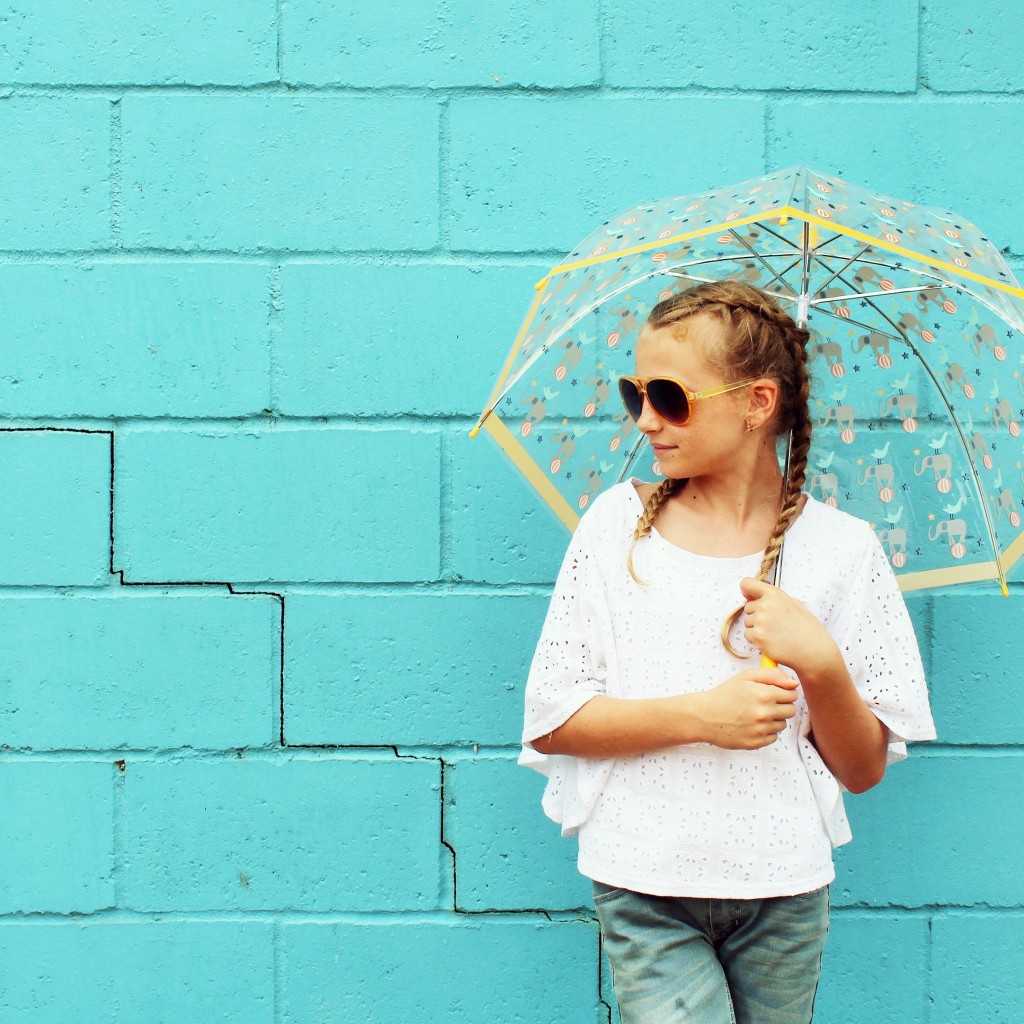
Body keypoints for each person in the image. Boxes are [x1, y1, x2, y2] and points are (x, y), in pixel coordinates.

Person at [520, 281, 936, 1024]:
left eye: (671, 397)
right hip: (645, 883)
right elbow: (553, 719)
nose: (647, 418)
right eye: (635, 393)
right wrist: (703, 716)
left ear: (758, 402)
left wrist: (822, 663)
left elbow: (864, 769)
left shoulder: (842, 550)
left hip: (783, 888)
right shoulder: (618, 531)